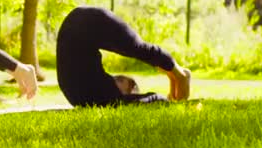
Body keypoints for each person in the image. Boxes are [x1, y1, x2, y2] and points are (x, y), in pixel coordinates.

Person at [56, 6, 191, 107]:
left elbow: (149, 100)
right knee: (136, 48)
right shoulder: (103, 97)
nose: (120, 80)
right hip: (79, 20)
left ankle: (179, 75)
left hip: (82, 22)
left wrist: (166, 99)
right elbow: (148, 100)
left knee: (137, 48)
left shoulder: (103, 97)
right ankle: (177, 74)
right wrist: (168, 101)